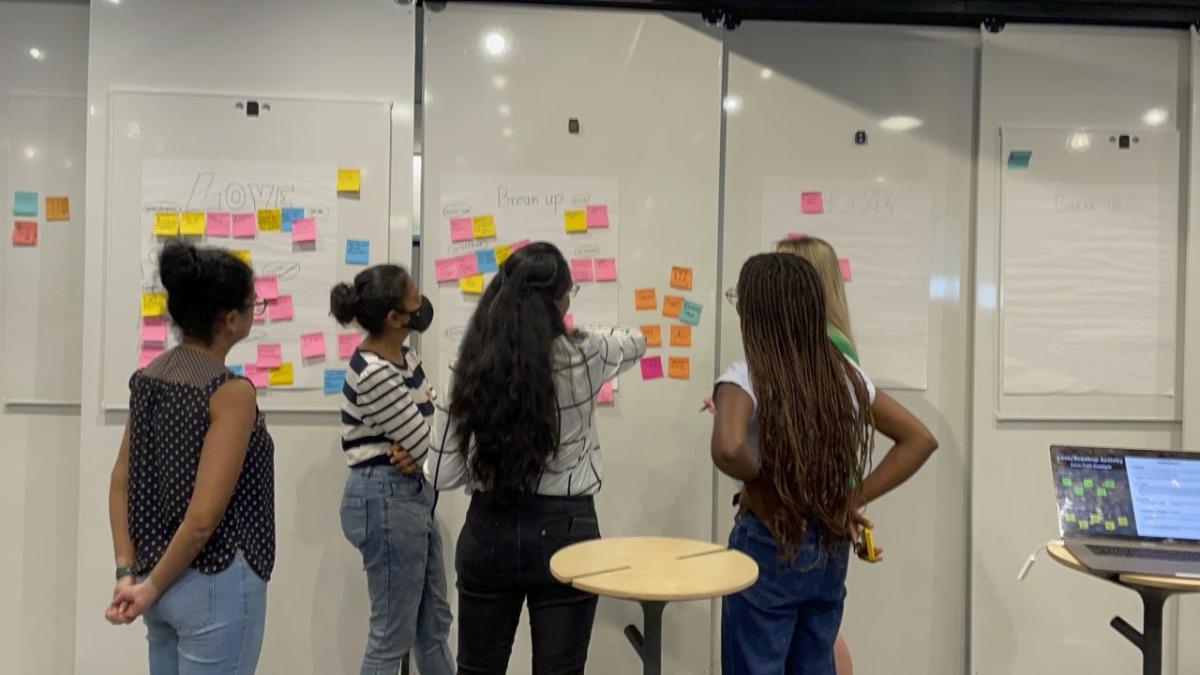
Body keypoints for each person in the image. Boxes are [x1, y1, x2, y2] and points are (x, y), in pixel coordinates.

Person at [424, 242, 647, 675]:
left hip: (490, 527)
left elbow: (442, 472)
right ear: (559, 301)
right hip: (568, 529)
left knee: (478, 669)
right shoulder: (588, 352)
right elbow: (635, 340)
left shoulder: (468, 365)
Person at [712, 253, 937, 675]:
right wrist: (849, 497)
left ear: (755, 311)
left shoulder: (746, 375)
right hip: (828, 548)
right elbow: (919, 439)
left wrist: (765, 486)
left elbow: (728, 446)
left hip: (768, 542)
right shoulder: (845, 374)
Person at [106, 241, 275, 675]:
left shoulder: (149, 378)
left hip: (154, 582)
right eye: (254, 303)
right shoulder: (229, 393)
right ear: (230, 319)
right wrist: (150, 587)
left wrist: (130, 574)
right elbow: (202, 520)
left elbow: (121, 480)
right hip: (214, 582)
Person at [330, 264, 454, 675]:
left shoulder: (405, 356)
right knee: (392, 636)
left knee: (433, 625)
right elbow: (429, 442)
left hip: (409, 497)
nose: (422, 304)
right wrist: (425, 443)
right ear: (394, 318)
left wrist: (426, 441)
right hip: (385, 498)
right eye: (414, 298)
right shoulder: (375, 373)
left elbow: (436, 426)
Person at [777, 235, 859, 673]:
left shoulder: (825, 346)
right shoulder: (825, 342)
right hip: (821, 515)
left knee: (814, 643)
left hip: (811, 518)